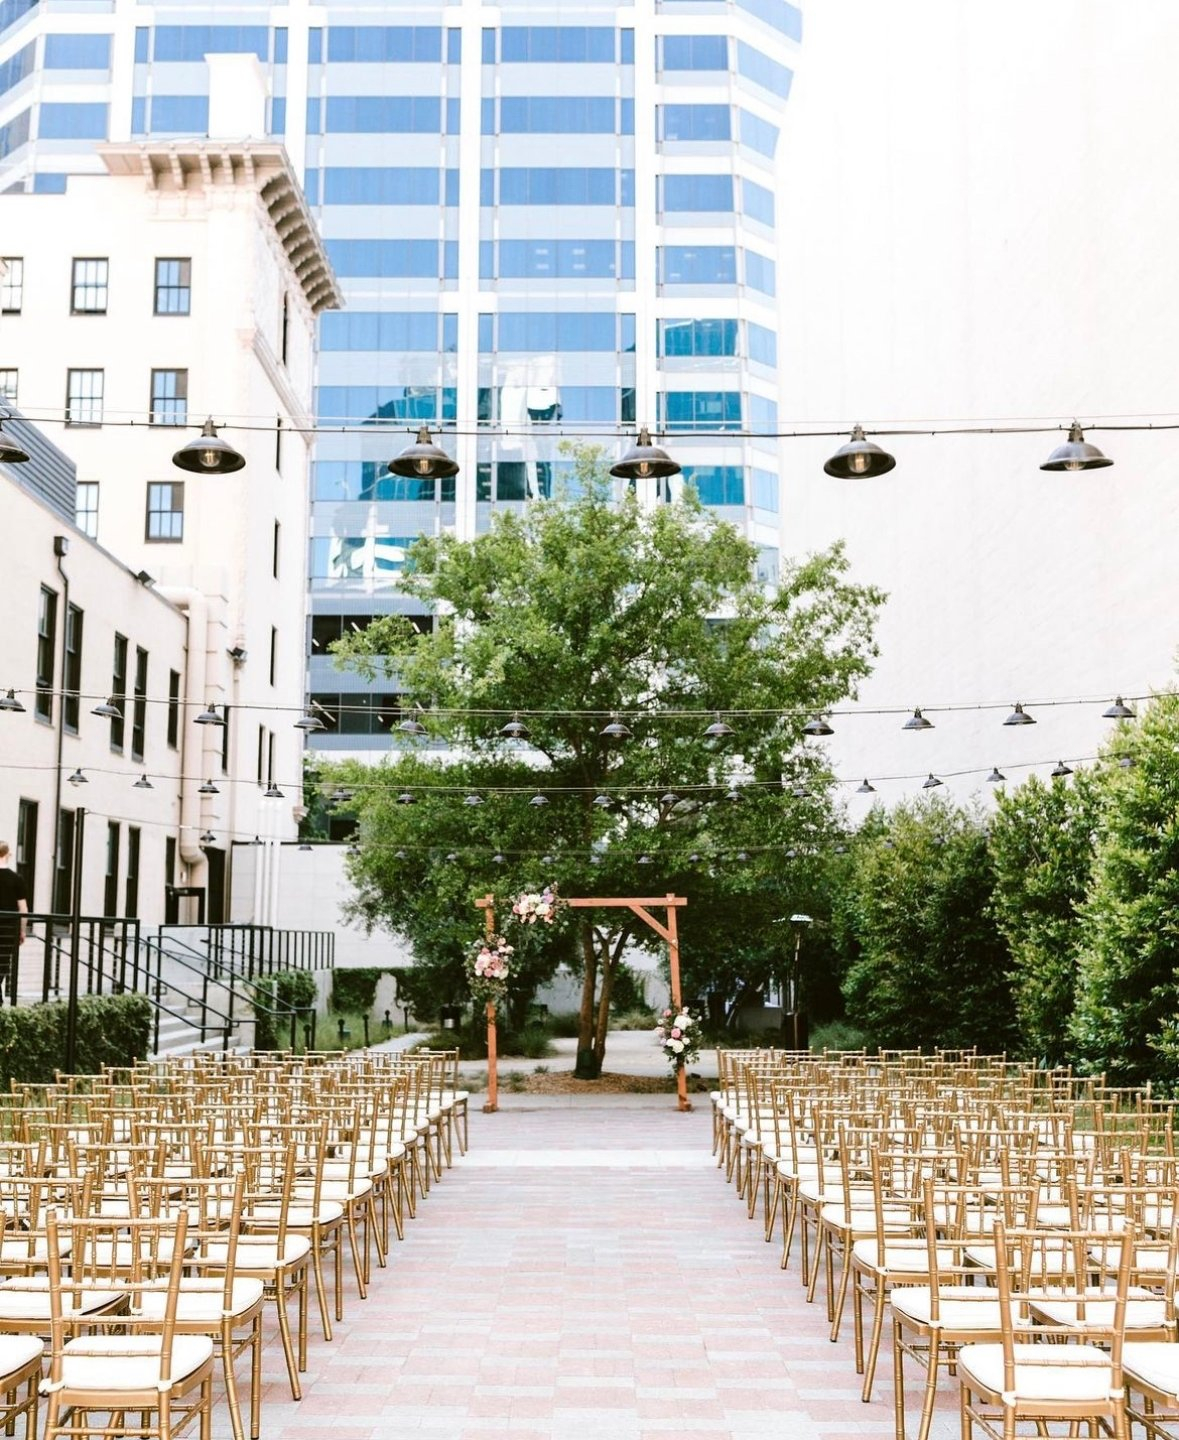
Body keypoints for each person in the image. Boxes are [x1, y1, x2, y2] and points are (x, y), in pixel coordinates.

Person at [0, 841, 28, 1006]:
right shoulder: (17, 879)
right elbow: (23, 908)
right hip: (7, 929)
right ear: (8, 855)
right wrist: (22, 930)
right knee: (2, 963)